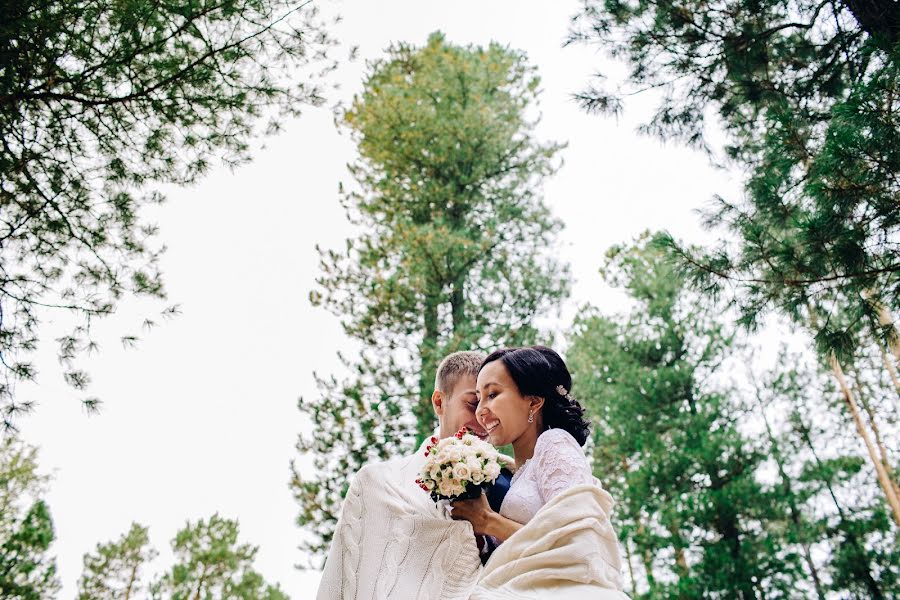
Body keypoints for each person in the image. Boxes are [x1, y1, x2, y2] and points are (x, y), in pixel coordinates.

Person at [316, 351, 512, 600]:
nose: (484, 417)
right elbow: (338, 581)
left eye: (493, 405)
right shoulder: (376, 484)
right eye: (473, 404)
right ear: (439, 402)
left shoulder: (507, 485)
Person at [451, 346, 628, 599]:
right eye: (478, 398)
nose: (480, 410)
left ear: (533, 401)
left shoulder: (554, 443)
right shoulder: (515, 473)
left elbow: (579, 546)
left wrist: (488, 521)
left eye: (493, 394)